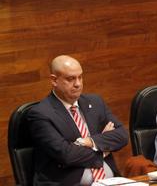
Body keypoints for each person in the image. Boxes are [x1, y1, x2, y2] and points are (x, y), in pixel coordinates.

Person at [27, 55, 128, 185]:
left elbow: (122, 135)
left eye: (80, 77)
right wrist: (103, 149)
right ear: (54, 80)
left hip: (111, 181)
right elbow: (67, 155)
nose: (78, 84)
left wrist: (90, 141)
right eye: (70, 79)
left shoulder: (95, 102)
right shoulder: (40, 114)